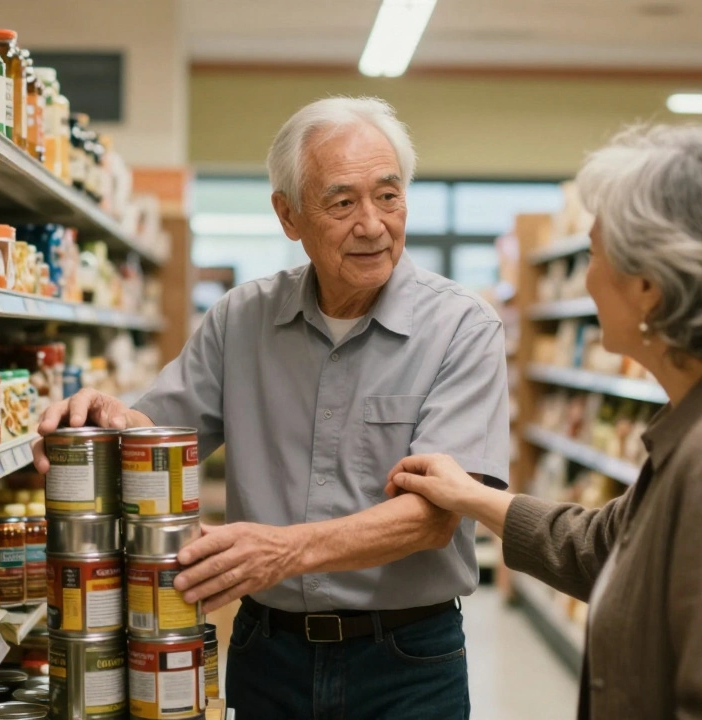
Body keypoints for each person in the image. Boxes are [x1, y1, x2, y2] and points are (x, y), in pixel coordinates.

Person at [32, 96, 509, 719]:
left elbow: (433, 517)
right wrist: (104, 422)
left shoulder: (462, 327)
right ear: (289, 216)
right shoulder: (242, 319)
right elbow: (159, 437)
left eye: (388, 196)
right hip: (268, 654)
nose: (371, 224)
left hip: (407, 661)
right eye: (342, 202)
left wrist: (283, 551)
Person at [388, 125, 702, 719]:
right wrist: (471, 496)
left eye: (594, 252)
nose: (588, 278)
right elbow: (610, 549)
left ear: (648, 285)